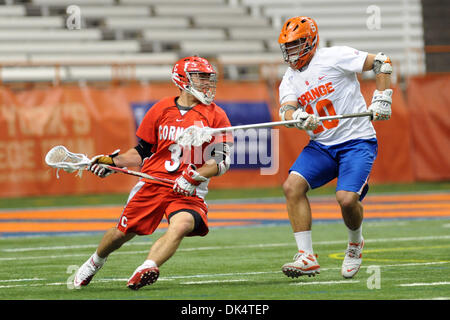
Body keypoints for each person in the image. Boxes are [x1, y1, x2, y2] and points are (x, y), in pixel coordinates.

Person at [73, 56, 233, 290]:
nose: (207, 83)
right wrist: (113, 161)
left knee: (182, 223)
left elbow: (221, 162)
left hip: (188, 188)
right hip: (153, 183)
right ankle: (95, 261)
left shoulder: (216, 115)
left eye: (208, 77)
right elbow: (141, 152)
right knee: (121, 233)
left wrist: (194, 176)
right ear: (182, 80)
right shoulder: (161, 108)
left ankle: (148, 266)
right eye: (200, 77)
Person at [277, 16, 393, 279]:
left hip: (356, 141)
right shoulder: (289, 78)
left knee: (346, 199)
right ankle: (306, 256)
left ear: (311, 41)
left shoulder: (334, 56)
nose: (291, 52)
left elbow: (382, 61)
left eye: (296, 45)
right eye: (288, 46)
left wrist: (383, 98)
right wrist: (297, 118)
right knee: (291, 187)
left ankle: (355, 244)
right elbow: (286, 109)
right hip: (322, 145)